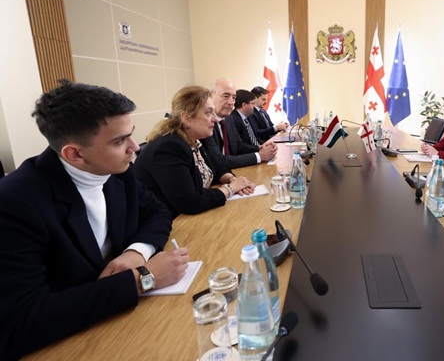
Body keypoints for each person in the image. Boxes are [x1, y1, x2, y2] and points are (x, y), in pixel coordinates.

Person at [0, 81, 189, 360]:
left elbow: (157, 211)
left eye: (131, 135)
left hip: (124, 325)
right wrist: (142, 279)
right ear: (75, 154)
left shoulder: (117, 171)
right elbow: (20, 322)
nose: (135, 148)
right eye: (119, 141)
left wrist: (137, 252)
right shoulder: (14, 202)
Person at [134, 86, 255, 218]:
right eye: (208, 113)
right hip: (172, 222)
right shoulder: (169, 147)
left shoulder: (196, 138)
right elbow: (190, 202)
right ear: (186, 118)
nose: (214, 119)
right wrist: (231, 189)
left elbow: (217, 169)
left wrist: (233, 180)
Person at [202, 78, 277, 169]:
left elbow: (238, 144)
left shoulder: (229, 118)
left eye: (234, 98)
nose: (231, 102)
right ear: (210, 96)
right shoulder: (205, 123)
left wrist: (260, 148)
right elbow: (219, 161)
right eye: (225, 96)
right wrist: (259, 156)